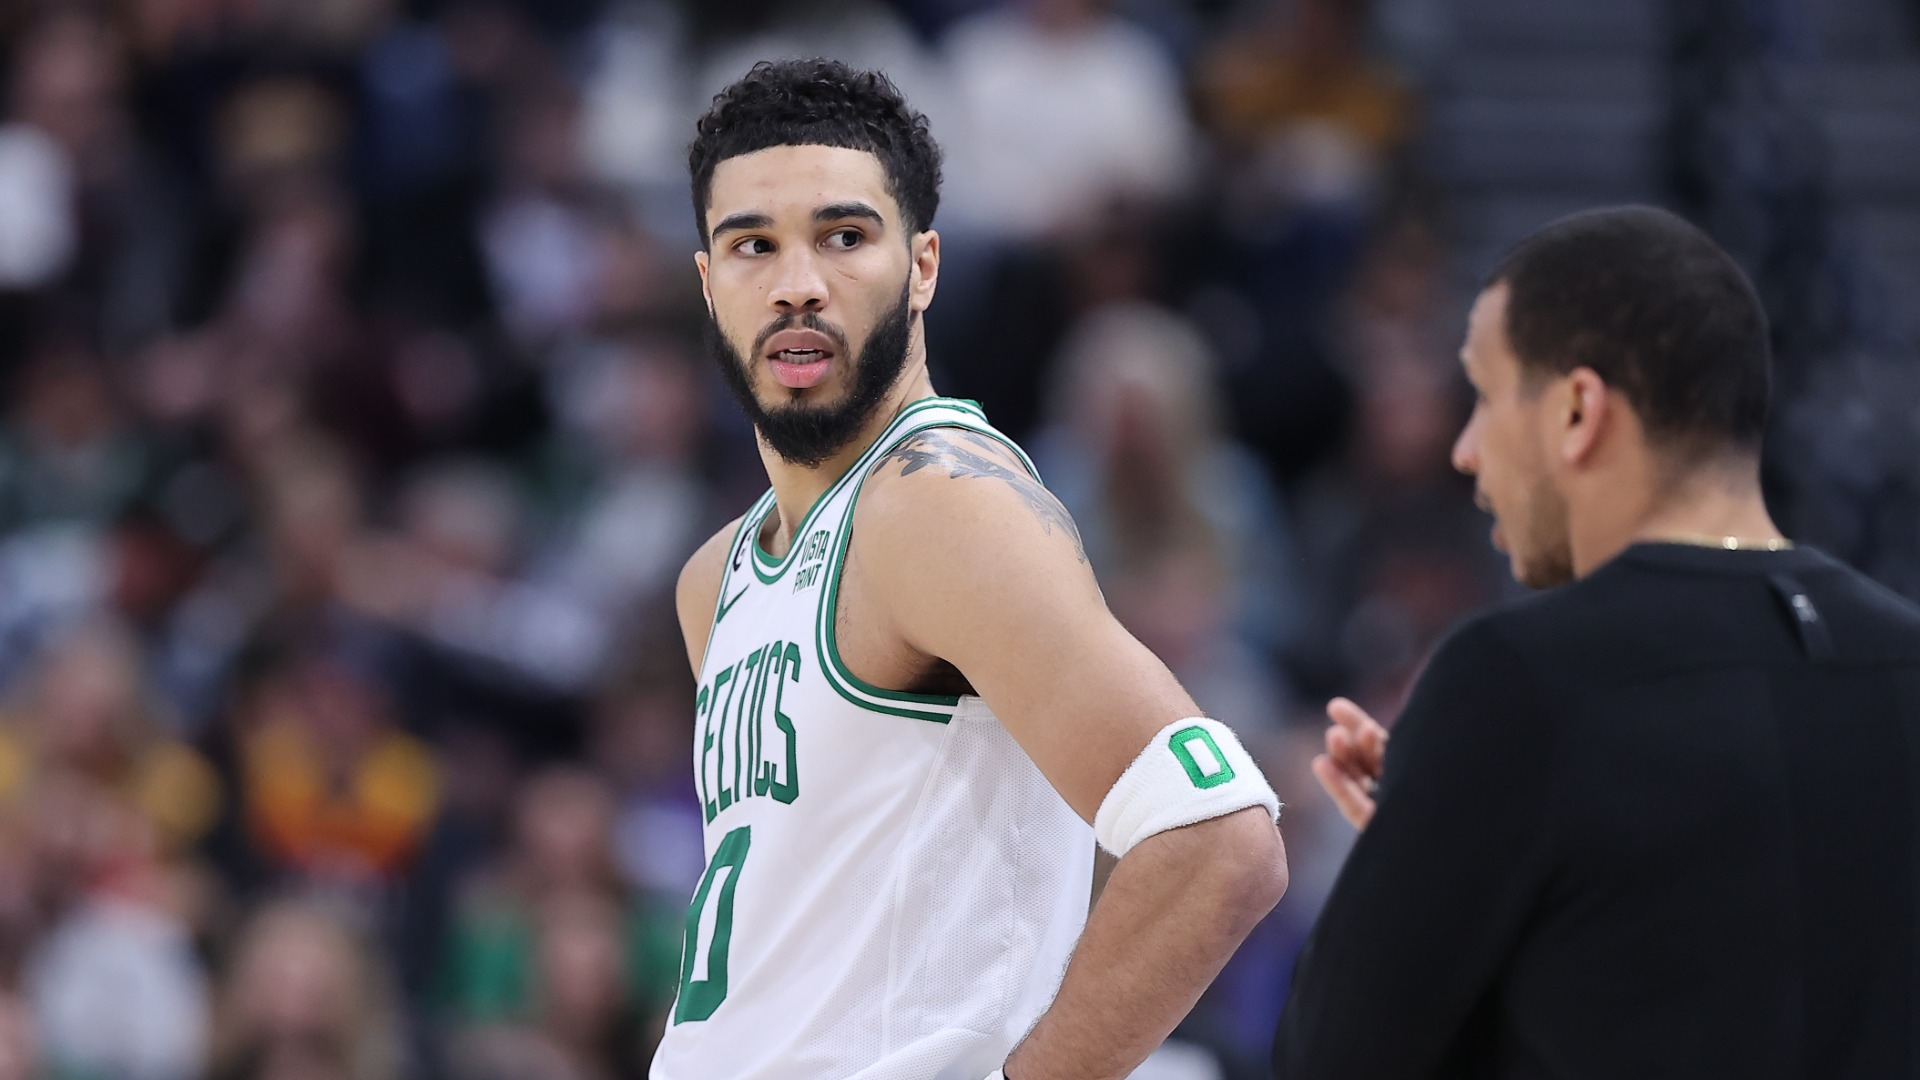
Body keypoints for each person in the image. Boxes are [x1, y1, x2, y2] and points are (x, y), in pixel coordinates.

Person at [650, 59, 1289, 1080]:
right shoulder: (715, 576)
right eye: (752, 246)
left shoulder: (941, 506)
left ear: (925, 267)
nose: (798, 282)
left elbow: (1218, 839)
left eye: (844, 237)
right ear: (707, 282)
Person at [1272, 206, 1920, 1078]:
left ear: (1579, 410)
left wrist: (1420, 868)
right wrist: (1455, 839)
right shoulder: (1903, 659)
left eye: (1487, 395)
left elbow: (1337, 1061)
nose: (1465, 450)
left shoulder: (1515, 683)